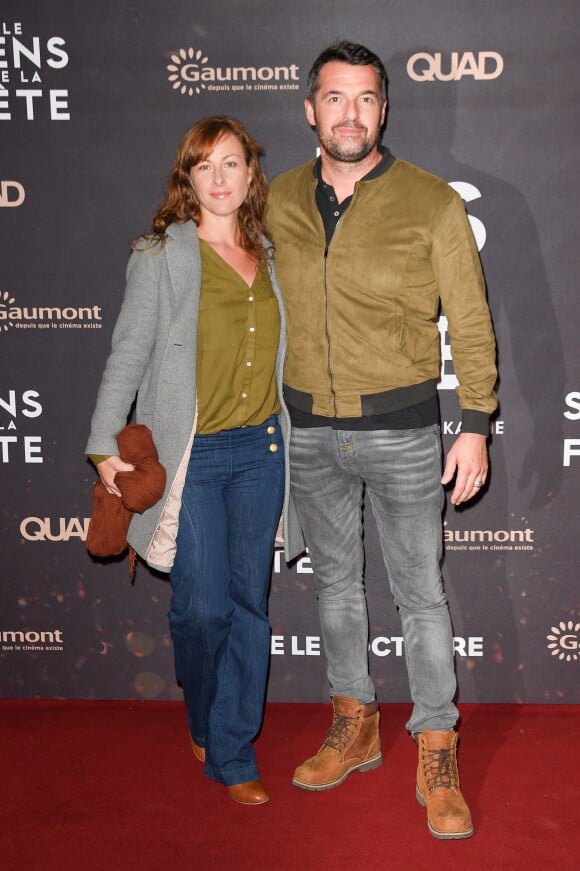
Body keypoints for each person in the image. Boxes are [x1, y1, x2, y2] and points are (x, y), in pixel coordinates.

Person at [268, 41, 497, 839]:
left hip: (402, 433)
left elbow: (469, 320)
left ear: (384, 109)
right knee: (334, 591)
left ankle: (436, 746)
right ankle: (354, 722)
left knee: (421, 598)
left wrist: (475, 423)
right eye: (335, 98)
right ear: (310, 109)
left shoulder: (431, 201)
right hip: (308, 432)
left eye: (366, 99)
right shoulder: (278, 200)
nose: (350, 114)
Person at [87, 115, 300, 806]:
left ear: (250, 172)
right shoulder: (162, 255)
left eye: (231, 163)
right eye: (204, 166)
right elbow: (127, 354)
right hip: (196, 455)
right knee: (201, 611)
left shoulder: (270, 253)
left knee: (248, 605)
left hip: (263, 450)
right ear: (188, 177)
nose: (219, 178)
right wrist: (101, 445)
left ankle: (232, 748)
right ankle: (203, 708)